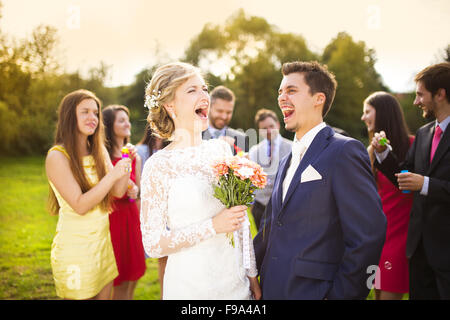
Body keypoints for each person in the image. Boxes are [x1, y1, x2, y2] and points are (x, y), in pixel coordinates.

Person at [253, 61, 387, 300]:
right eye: (280, 92)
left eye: (291, 91)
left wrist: (341, 296)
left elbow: (368, 236)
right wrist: (244, 271)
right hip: (271, 288)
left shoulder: (344, 151)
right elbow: (269, 229)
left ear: (318, 99)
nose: (282, 98)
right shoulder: (286, 161)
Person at [139, 62, 261, 300]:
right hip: (191, 288)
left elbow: (241, 221)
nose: (204, 95)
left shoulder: (222, 150)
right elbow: (153, 244)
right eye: (192, 90)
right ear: (169, 104)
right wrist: (213, 226)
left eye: (204, 88)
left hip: (236, 286)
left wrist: (252, 275)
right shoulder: (159, 165)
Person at [372, 62, 450, 300]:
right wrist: (384, 154)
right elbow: (404, 177)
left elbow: (419, 182)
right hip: (419, 250)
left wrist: (425, 184)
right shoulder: (425, 133)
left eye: (420, 94)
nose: (416, 102)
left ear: (440, 94)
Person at [45, 89, 131, 300]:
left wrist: (125, 166)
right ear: (69, 116)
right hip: (76, 250)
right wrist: (112, 176)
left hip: (102, 246)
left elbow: (118, 192)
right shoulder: (57, 156)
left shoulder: (99, 150)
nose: (92, 118)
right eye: (85, 112)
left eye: (95, 113)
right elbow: (80, 205)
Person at [361, 91, 414, 300]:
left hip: (400, 238)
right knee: (377, 294)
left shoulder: (413, 145)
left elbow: (409, 186)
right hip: (377, 238)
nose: (363, 117)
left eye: (367, 112)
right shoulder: (370, 152)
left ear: (382, 113)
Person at [102, 104, 146, 300]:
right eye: (121, 120)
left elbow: (136, 189)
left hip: (132, 217)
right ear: (109, 127)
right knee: (119, 279)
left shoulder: (132, 153)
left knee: (133, 276)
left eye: (127, 119)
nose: (127, 123)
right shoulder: (104, 157)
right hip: (114, 219)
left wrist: (135, 189)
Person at [136, 124, 168, 299]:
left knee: (168, 258)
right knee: (160, 253)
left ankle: (165, 294)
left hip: (170, 208)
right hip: (152, 206)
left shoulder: (168, 150)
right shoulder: (141, 150)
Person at [249, 108, 292, 229]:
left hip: (284, 206)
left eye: (271, 126)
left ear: (278, 125)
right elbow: (251, 179)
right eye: (264, 128)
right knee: (263, 245)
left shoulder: (292, 147)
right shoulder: (254, 151)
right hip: (260, 207)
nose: (268, 130)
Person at [202, 85, 249, 155]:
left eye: (229, 112)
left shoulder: (242, 139)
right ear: (209, 107)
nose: (224, 117)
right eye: (220, 111)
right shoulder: (194, 136)